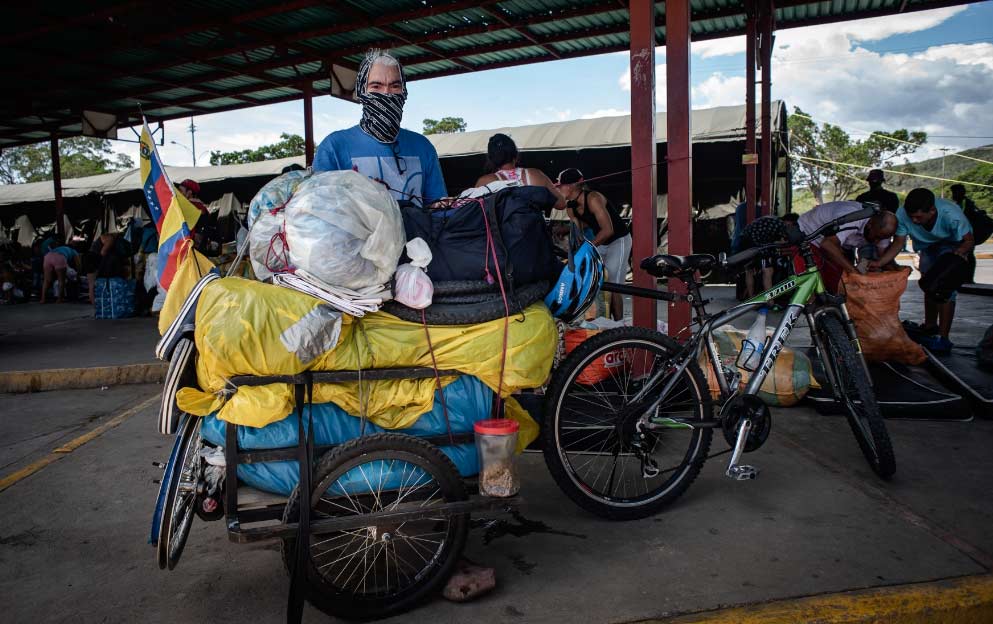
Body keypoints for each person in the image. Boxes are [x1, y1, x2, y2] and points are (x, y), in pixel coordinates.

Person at [313, 49, 447, 207]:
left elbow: (438, 208)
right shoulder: (334, 147)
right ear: (362, 91)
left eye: (395, 86)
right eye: (376, 86)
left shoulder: (422, 146)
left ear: (404, 92)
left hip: (417, 224)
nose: (387, 93)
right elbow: (320, 211)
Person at [871, 188, 974, 352]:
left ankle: (943, 338)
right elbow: (898, 242)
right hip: (927, 246)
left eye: (918, 217)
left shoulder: (951, 213)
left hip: (951, 245)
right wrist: (880, 262)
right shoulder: (902, 214)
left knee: (944, 287)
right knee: (928, 283)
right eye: (911, 216)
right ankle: (930, 325)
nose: (914, 220)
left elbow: (968, 240)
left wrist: (957, 256)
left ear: (932, 210)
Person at [557, 168, 631, 321]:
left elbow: (608, 230)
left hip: (619, 240)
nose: (558, 189)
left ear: (571, 186)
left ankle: (619, 325)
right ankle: (604, 322)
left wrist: (586, 248)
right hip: (602, 242)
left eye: (560, 186)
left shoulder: (593, 198)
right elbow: (578, 234)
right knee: (596, 280)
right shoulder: (571, 207)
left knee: (614, 286)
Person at [796, 201, 898, 293]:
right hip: (809, 235)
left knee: (838, 282)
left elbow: (882, 255)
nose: (877, 241)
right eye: (877, 237)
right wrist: (854, 271)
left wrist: (893, 270)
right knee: (811, 284)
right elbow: (827, 245)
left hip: (832, 241)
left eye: (882, 238)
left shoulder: (881, 231)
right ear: (870, 224)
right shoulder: (853, 217)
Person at [474, 133, 566, 211]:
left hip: (501, 228)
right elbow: (561, 204)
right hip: (535, 226)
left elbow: (474, 214)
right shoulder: (536, 174)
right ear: (515, 153)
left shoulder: (485, 182)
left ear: (491, 159)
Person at [737, 215, 790, 299]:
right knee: (768, 271)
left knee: (749, 271)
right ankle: (770, 301)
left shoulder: (772, 220)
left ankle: (751, 297)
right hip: (756, 244)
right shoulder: (779, 224)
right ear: (788, 221)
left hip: (745, 242)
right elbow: (781, 242)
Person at [950, 183, 987, 284]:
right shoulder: (959, 204)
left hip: (967, 235)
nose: (953, 195)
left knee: (969, 256)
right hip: (960, 235)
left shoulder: (967, 204)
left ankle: (969, 278)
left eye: (954, 192)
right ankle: (963, 277)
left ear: (961, 193)